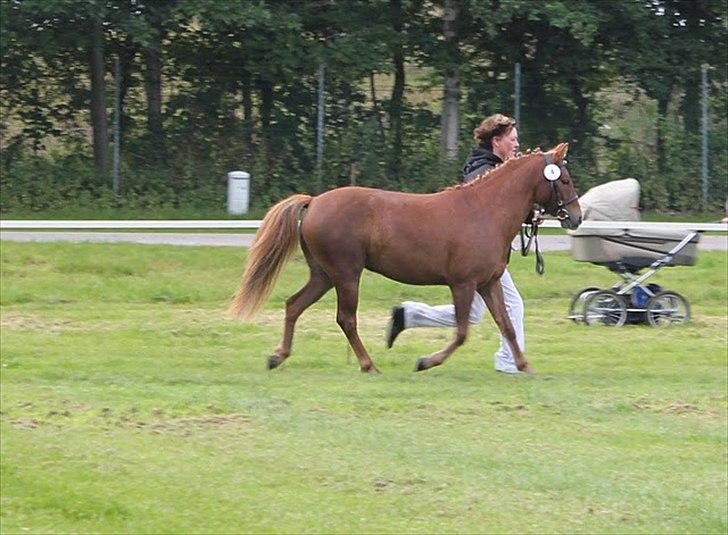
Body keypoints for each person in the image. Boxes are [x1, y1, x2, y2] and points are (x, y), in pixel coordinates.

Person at [385, 113, 532, 374]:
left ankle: (409, 315)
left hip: (485, 256)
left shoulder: (493, 167)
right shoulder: (486, 171)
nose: (516, 145)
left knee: (474, 313)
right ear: (497, 141)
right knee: (511, 304)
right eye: (512, 139)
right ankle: (511, 362)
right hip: (478, 256)